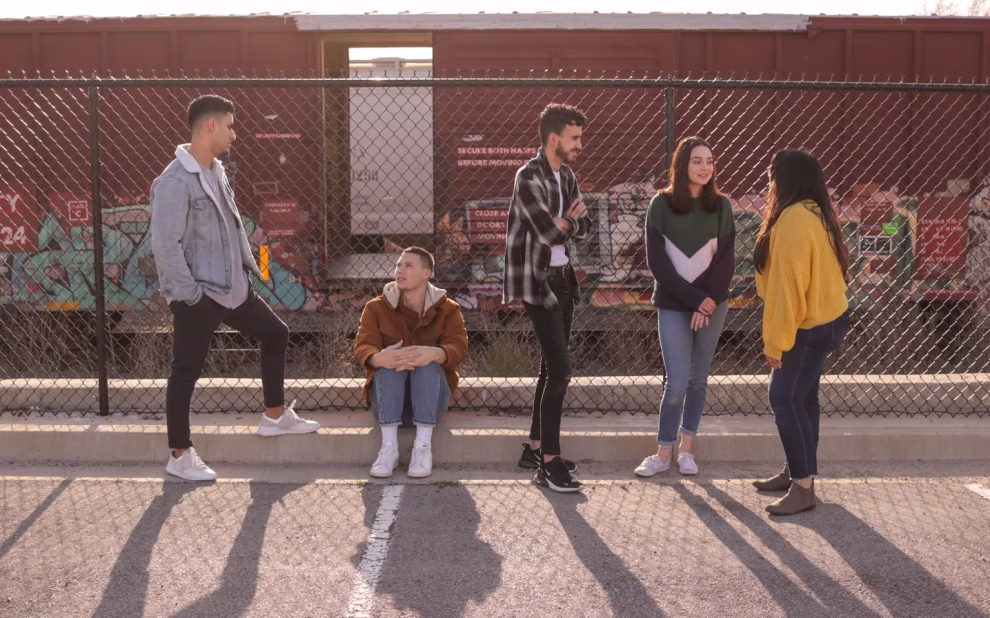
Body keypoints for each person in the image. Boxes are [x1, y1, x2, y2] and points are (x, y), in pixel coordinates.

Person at [150, 94, 319, 482]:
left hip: (234, 288)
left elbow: (230, 225)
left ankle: (274, 416)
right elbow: (164, 245)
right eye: (229, 125)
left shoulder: (217, 170)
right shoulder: (174, 181)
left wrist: (249, 270)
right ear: (211, 125)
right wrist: (190, 296)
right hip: (201, 294)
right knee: (186, 371)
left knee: (276, 333)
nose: (234, 134)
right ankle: (180, 454)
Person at [751, 149, 851, 516]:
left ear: (785, 179)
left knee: (784, 398)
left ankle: (803, 488)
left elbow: (788, 286)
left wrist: (776, 340)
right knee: (803, 399)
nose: (768, 182)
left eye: (771, 175)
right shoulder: (815, 212)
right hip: (827, 318)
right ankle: (798, 472)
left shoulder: (794, 217)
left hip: (809, 324)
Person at [635, 136, 735, 478]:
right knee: (676, 382)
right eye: (697, 161)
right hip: (675, 305)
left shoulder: (721, 206)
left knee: (697, 379)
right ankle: (663, 453)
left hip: (712, 304)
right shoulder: (660, 205)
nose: (705, 167)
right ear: (682, 165)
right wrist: (695, 301)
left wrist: (706, 304)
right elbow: (657, 263)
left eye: (709, 160)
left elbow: (725, 262)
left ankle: (686, 451)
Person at [503, 103, 590, 493]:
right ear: (553, 138)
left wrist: (568, 222)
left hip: (564, 279)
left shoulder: (566, 174)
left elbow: (584, 226)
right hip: (538, 283)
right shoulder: (528, 176)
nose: (579, 145)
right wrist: (568, 221)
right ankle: (550, 466)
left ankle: (535, 448)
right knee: (561, 371)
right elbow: (546, 233)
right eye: (574, 138)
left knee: (549, 369)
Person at [354, 247, 469, 479]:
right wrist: (379, 358)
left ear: (427, 273)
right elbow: (363, 345)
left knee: (425, 362)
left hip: (430, 405)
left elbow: (459, 347)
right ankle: (389, 449)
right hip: (386, 404)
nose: (400, 270)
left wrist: (435, 353)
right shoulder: (376, 307)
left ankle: (423, 447)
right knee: (392, 361)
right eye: (398, 265)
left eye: (408, 266)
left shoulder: (448, 309)